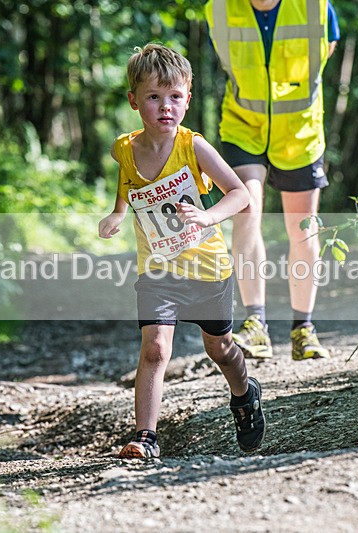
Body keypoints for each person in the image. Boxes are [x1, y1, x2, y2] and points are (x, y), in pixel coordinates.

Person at [99, 43, 266, 459]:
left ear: (187, 99)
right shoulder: (125, 148)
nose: (165, 106)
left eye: (175, 97)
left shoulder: (194, 148)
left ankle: (245, 393)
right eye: (154, 97)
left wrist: (209, 218)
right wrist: (119, 213)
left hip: (207, 267)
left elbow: (240, 193)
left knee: (220, 350)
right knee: (155, 349)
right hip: (157, 268)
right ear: (134, 101)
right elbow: (129, 185)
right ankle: (146, 438)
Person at [204, 0, 341, 360]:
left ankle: (303, 330)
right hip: (243, 128)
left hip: (299, 133)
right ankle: (256, 324)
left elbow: (328, 47)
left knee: (303, 229)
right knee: (246, 208)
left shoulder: (316, 7)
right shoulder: (218, 9)